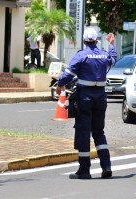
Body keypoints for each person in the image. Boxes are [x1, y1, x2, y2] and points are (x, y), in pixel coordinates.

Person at [56, 27, 117, 179]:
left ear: (84, 40)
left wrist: (60, 84)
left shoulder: (81, 55)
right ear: (97, 40)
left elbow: (68, 74)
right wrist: (111, 45)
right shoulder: (104, 55)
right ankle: (106, 167)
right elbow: (113, 60)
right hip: (101, 98)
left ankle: (84, 170)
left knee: (84, 133)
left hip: (85, 99)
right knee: (99, 132)